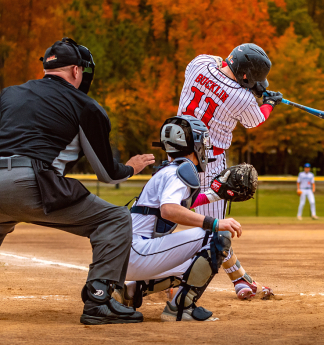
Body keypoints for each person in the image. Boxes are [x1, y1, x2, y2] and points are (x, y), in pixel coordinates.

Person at [0, 38, 155, 325]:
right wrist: (130, 168)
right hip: (32, 183)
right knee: (116, 219)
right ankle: (99, 300)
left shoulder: (8, 95)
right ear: (75, 70)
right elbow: (107, 174)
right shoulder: (85, 105)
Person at [177, 43, 282, 300]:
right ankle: (184, 284)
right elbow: (255, 120)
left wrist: (249, 81)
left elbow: (220, 63)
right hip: (209, 163)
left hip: (175, 155)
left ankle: (239, 279)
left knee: (167, 215)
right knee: (215, 230)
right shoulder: (243, 98)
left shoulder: (199, 63)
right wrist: (267, 102)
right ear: (245, 75)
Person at [113, 115, 241, 321]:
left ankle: (131, 291)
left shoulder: (169, 171)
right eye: (202, 142)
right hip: (137, 253)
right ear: (193, 145)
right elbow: (169, 210)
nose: (205, 148)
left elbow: (181, 205)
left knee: (195, 263)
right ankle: (181, 308)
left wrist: (216, 194)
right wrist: (215, 223)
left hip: (128, 255)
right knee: (217, 237)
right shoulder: (178, 173)